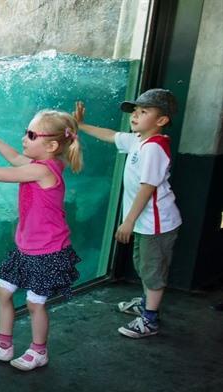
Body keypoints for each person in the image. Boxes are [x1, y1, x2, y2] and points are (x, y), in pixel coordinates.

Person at [0, 110, 83, 371]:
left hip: (47, 251)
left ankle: (39, 351)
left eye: (31, 135)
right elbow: (14, 158)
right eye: (26, 132)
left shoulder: (42, 170)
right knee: (3, 291)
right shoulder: (44, 163)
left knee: (35, 303)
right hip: (27, 247)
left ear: (52, 146)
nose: (24, 138)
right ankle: (3, 345)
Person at [75, 89, 182, 338]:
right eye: (135, 111)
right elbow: (111, 135)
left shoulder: (154, 148)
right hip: (146, 223)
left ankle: (150, 320)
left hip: (157, 224)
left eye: (143, 112)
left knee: (152, 270)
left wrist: (128, 221)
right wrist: (81, 125)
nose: (135, 115)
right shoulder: (138, 140)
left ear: (161, 120)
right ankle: (146, 303)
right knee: (144, 265)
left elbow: (147, 188)